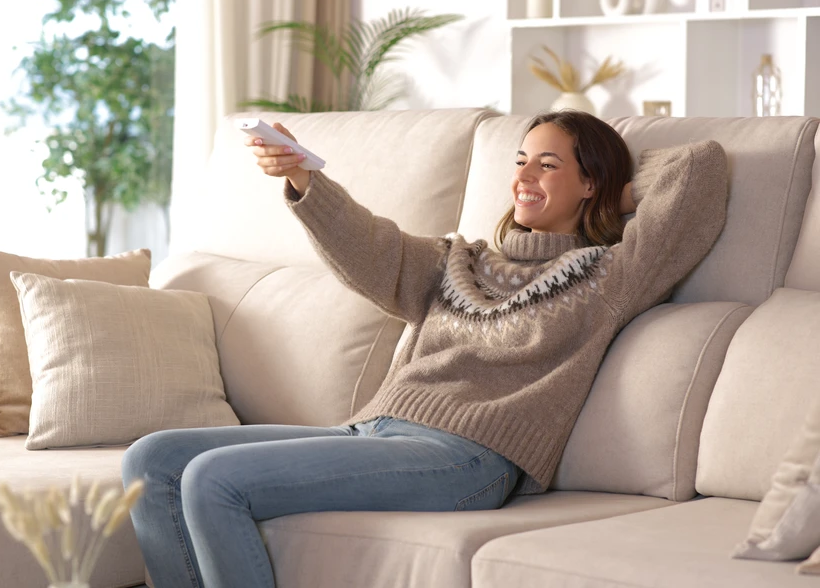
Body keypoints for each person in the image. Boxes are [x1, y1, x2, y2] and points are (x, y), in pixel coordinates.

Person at [122, 110, 728, 588]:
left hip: (467, 459)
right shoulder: (458, 261)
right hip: (373, 432)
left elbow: (699, 170)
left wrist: (619, 196)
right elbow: (370, 246)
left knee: (212, 481)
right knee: (151, 462)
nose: (523, 177)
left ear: (591, 181)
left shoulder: (608, 276)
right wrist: (303, 177)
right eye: (520, 161)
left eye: (548, 165)